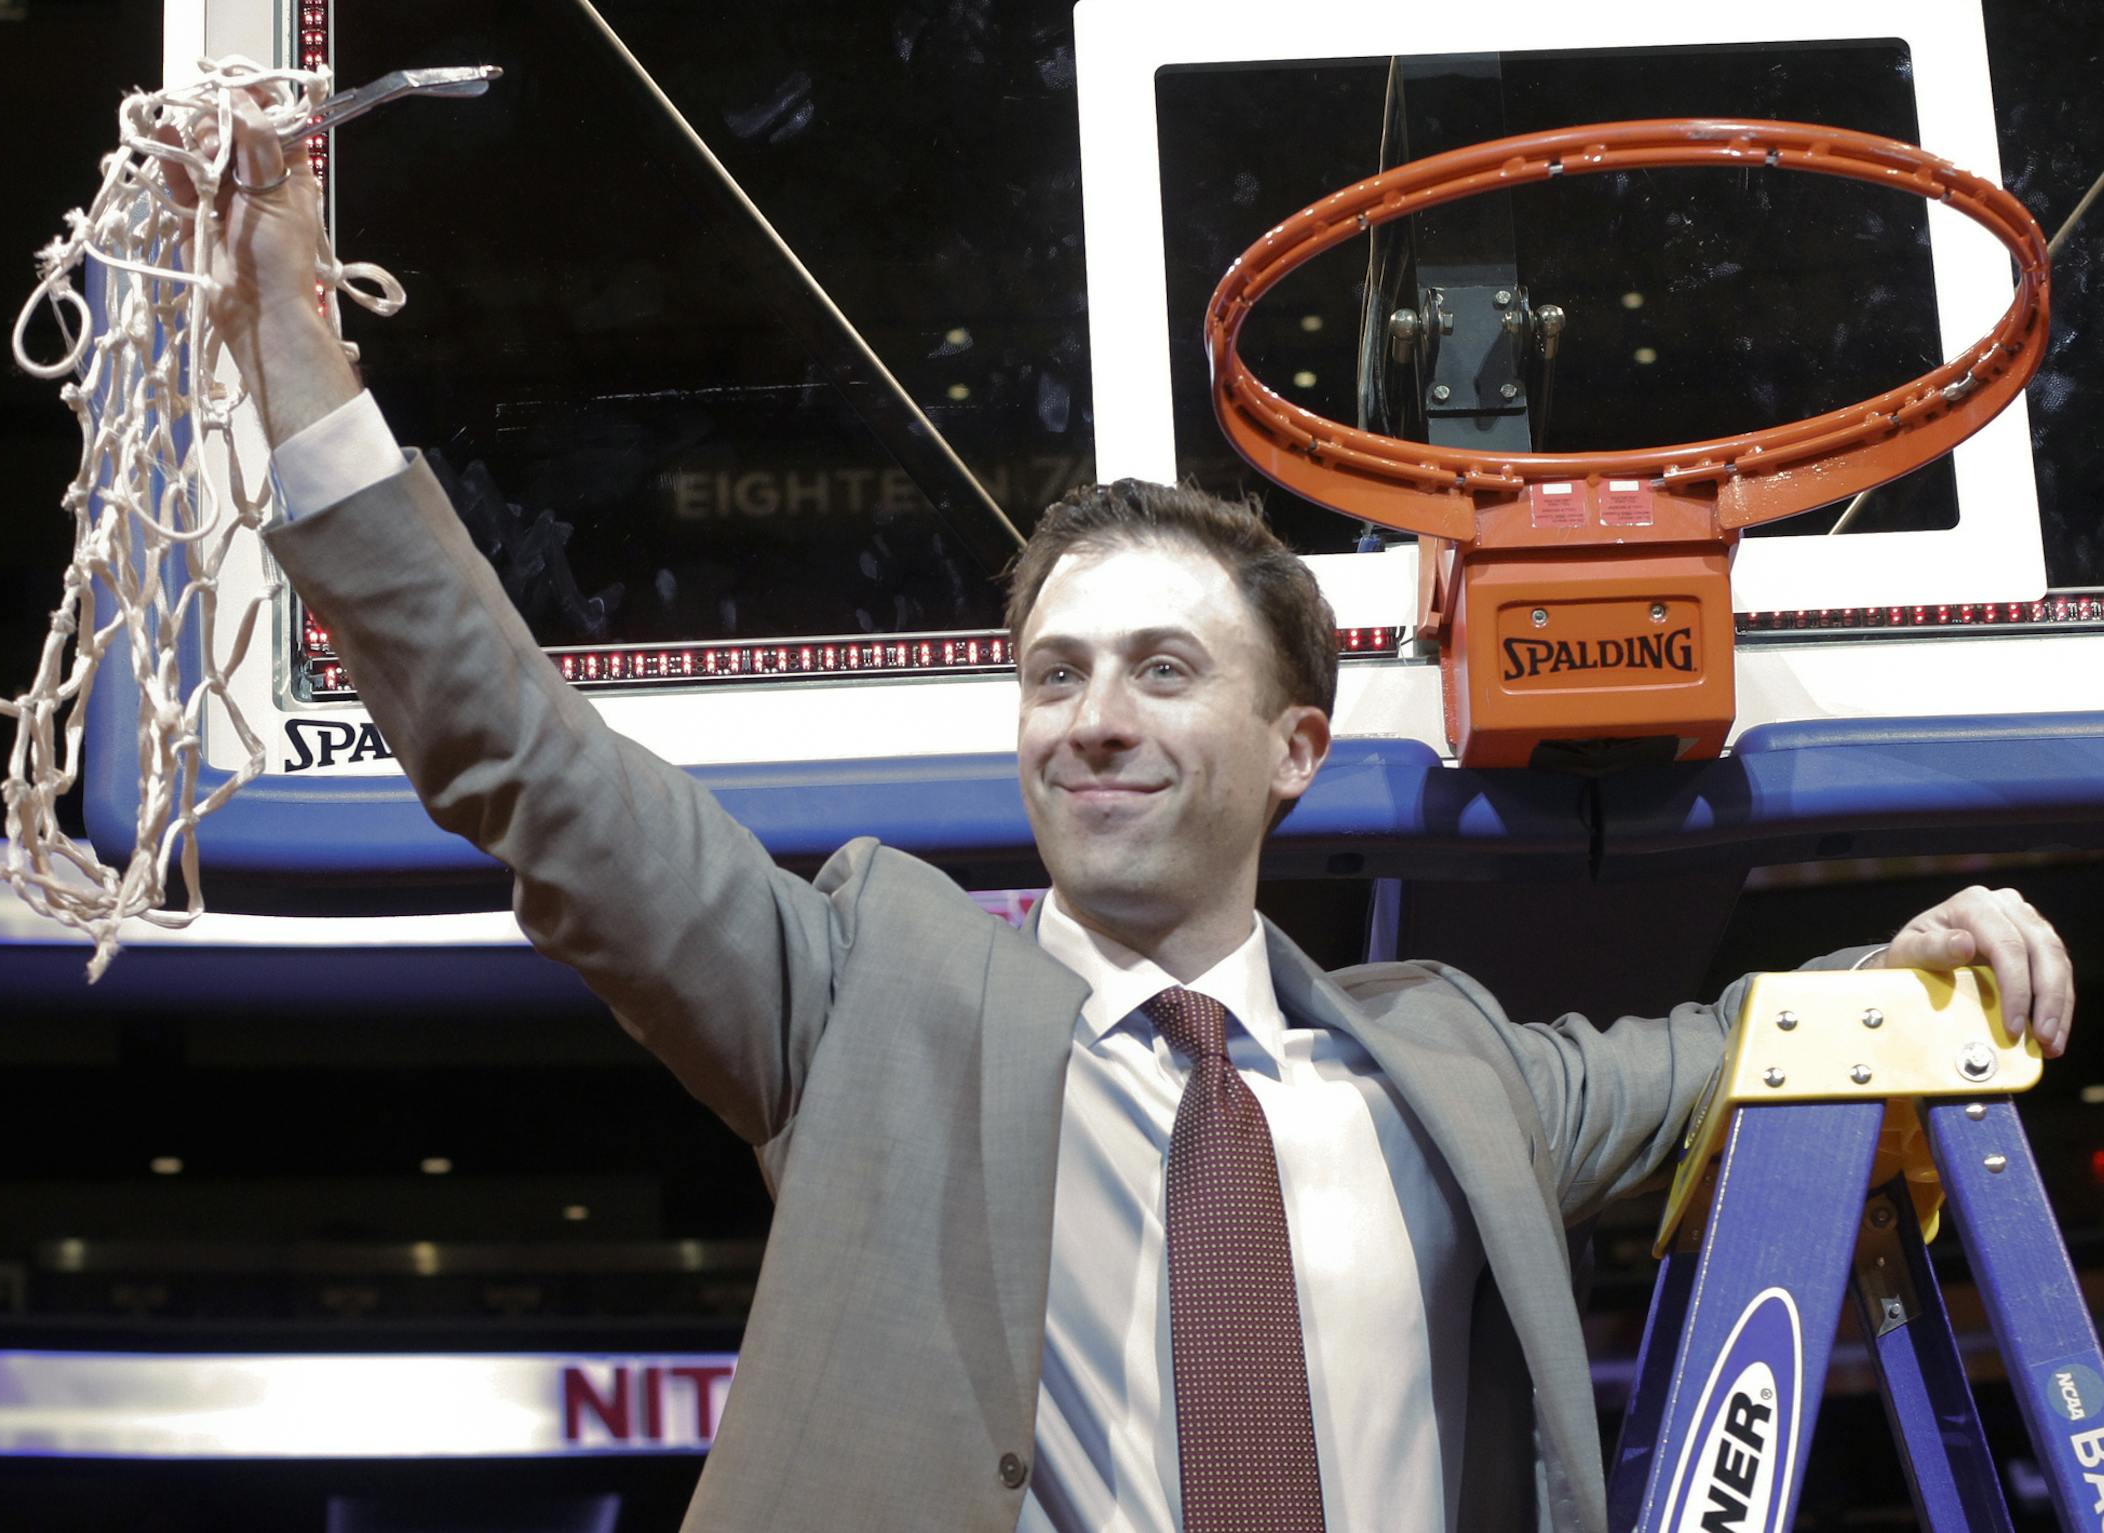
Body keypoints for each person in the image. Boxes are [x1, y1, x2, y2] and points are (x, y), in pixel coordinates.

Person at [174, 99, 2073, 1532]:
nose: (1092, 717)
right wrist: (302, 372)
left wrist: (1913, 962)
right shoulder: (864, 991)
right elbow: (536, 771)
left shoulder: (1461, 1068)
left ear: (1297, 748)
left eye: (1163, 670)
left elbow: (1744, 1049)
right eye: (1056, 672)